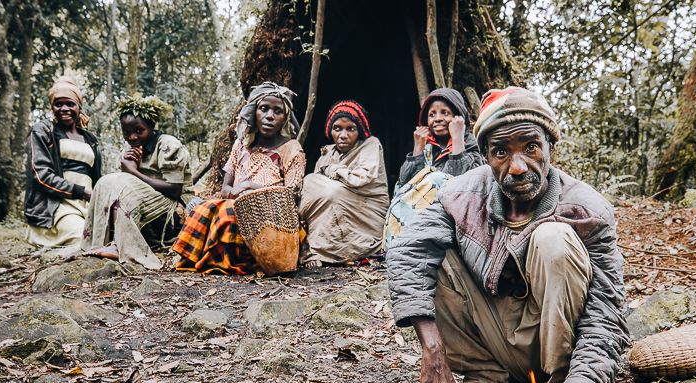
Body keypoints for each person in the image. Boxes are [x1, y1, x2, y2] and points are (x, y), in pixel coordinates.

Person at [386, 87, 630, 383]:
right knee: (434, 253)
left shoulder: (588, 207)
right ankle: (487, 377)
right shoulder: (463, 192)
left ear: (551, 147)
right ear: (485, 157)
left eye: (531, 147)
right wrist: (432, 347)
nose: (517, 167)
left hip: (552, 344)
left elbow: (607, 310)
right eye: (501, 152)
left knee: (554, 239)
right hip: (493, 336)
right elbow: (405, 251)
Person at [172, 82, 305, 274]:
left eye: (278, 111)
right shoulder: (240, 146)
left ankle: (222, 261)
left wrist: (252, 187)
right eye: (264, 109)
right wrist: (236, 192)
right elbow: (225, 188)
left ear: (285, 118)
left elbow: (291, 196)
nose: (270, 116)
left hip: (274, 220)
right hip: (236, 205)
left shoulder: (291, 148)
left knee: (226, 214)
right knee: (203, 207)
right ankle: (207, 258)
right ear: (254, 113)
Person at [81, 95, 194, 270]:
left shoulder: (168, 145)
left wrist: (133, 172)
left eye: (139, 131)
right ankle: (98, 241)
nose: (132, 137)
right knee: (105, 182)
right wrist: (129, 170)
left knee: (123, 181)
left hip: (176, 211)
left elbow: (174, 191)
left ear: (151, 126)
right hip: (150, 207)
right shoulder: (130, 149)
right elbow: (120, 185)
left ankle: (120, 246)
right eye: (126, 132)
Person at [299, 101, 389, 268]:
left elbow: (359, 178)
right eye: (337, 128)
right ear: (330, 131)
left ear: (360, 130)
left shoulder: (371, 144)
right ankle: (319, 251)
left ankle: (333, 251)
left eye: (351, 129)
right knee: (313, 185)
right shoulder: (326, 153)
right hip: (334, 211)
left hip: (367, 214)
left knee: (332, 191)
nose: (343, 135)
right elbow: (314, 191)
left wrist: (331, 171)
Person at [24, 76, 103, 249]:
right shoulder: (43, 131)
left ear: (78, 106)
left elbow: (98, 178)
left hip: (88, 205)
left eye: (70, 103)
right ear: (52, 107)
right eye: (58, 104)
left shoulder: (91, 139)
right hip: (56, 208)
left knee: (107, 240)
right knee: (83, 240)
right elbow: (40, 176)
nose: (64, 108)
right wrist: (82, 192)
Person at [397, 88, 483, 187]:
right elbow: (404, 183)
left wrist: (457, 138)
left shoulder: (471, 144)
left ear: (459, 117)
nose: (437, 119)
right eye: (432, 114)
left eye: (445, 113)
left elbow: (463, 182)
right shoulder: (425, 146)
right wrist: (417, 149)